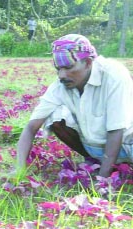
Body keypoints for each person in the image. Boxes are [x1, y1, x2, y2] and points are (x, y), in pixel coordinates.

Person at [16, 34, 133, 178]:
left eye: (68, 67)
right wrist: (19, 169)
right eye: (58, 69)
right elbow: (30, 128)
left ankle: (113, 165)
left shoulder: (113, 75)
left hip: (127, 144)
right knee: (55, 116)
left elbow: (116, 130)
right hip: (95, 148)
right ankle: (95, 161)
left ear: (89, 63)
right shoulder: (61, 85)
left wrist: (102, 179)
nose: (61, 75)